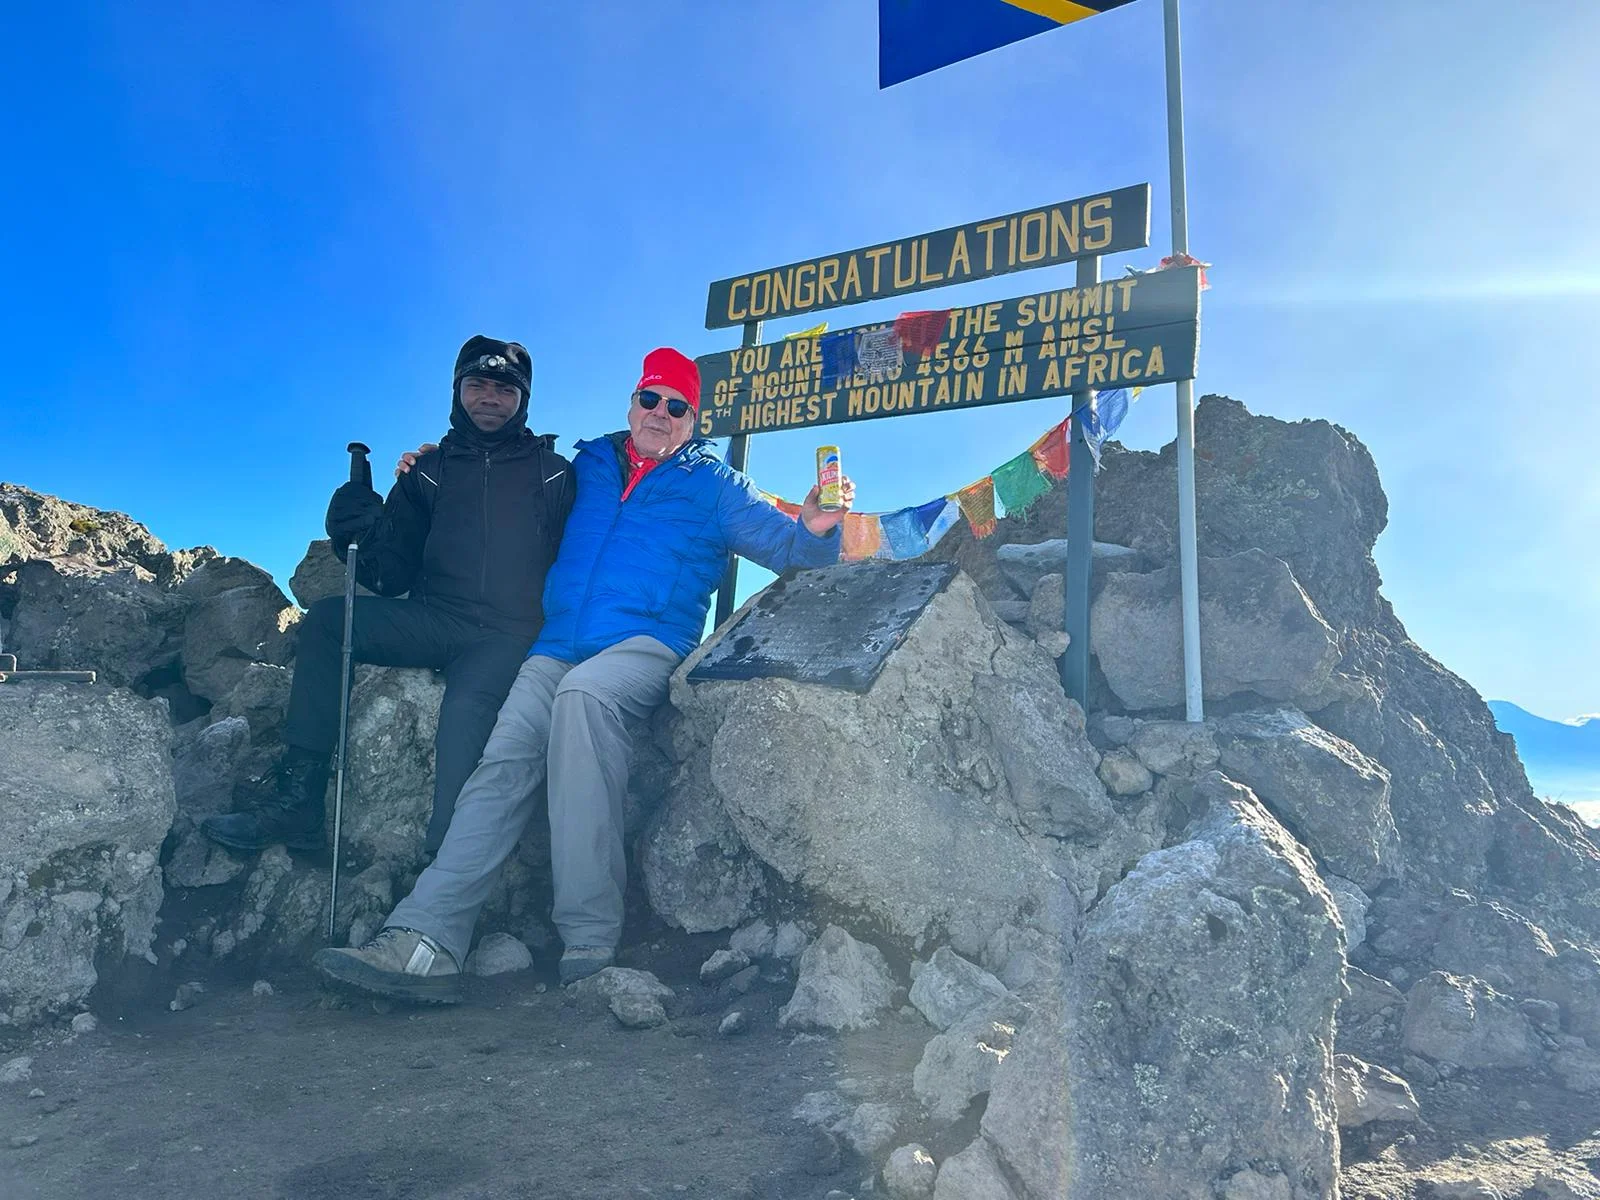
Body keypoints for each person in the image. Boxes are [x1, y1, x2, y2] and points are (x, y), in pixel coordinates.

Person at [312, 346, 854, 1002]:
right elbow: (506, 493)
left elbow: (795, 552)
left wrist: (820, 525)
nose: (660, 414)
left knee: (584, 697)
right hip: (560, 640)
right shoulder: (590, 464)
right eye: (650, 399)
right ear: (632, 404)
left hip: (646, 644)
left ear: (694, 419)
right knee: (503, 757)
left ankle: (590, 934)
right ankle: (427, 937)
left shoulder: (715, 487)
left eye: (676, 407)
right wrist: (434, 470)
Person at [203, 336, 575, 858]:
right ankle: (299, 800)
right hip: (435, 618)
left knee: (464, 719)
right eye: (477, 385)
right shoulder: (428, 473)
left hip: (509, 635)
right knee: (330, 622)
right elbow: (388, 572)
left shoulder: (554, 473)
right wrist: (356, 528)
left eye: (504, 389)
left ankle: (444, 868)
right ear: (457, 391)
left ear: (523, 400)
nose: (489, 398)